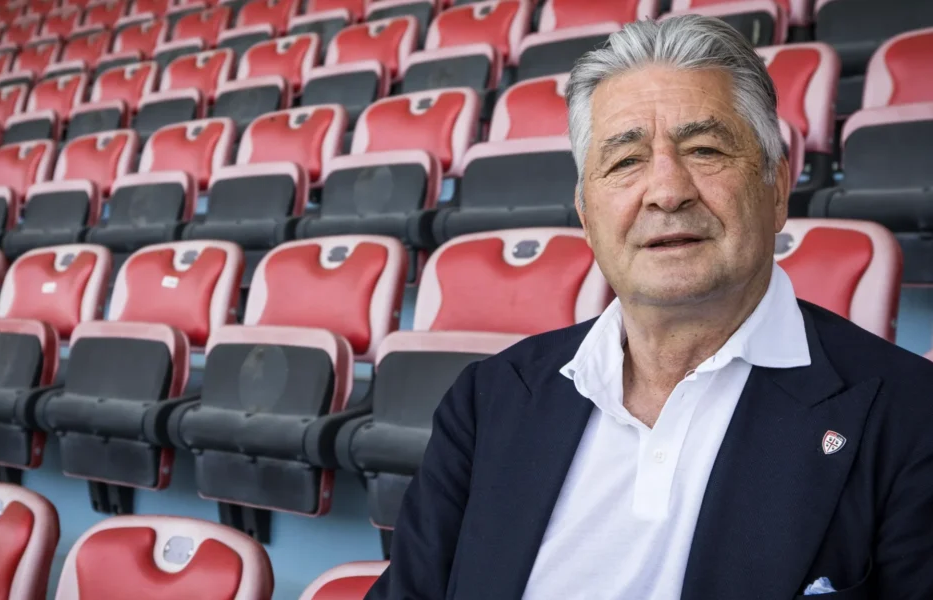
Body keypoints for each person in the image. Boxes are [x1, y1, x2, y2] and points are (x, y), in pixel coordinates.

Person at [365, 14, 933, 600]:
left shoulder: (913, 415)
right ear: (587, 216)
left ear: (777, 189)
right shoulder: (487, 400)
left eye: (705, 149)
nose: (666, 191)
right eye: (625, 161)